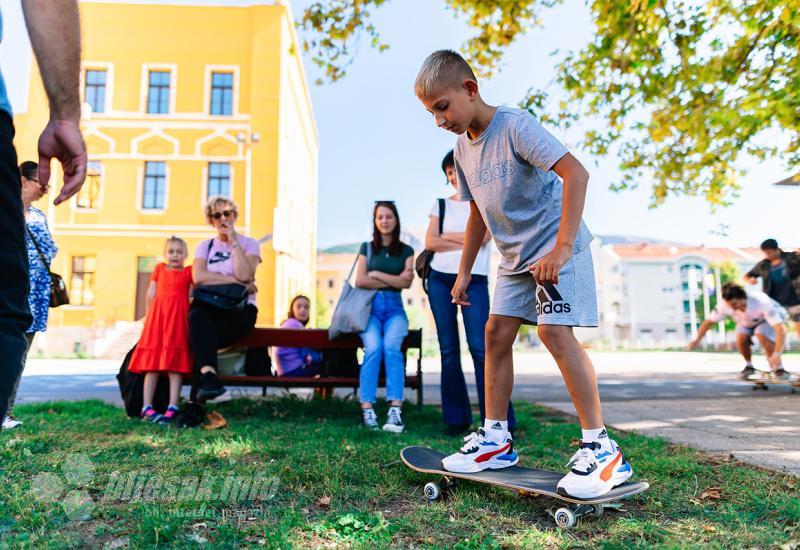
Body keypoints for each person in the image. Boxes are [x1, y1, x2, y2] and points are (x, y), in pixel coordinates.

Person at [414, 50, 633, 499]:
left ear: (470, 89)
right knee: (495, 333)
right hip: (514, 260)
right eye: (430, 112)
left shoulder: (515, 125)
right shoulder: (461, 148)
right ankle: (495, 439)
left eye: (442, 106)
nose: (439, 120)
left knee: (555, 335)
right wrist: (463, 271)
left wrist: (563, 248)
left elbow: (576, 173)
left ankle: (603, 449)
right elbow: (477, 212)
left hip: (556, 246)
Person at [0, 1, 87, 424]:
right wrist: (65, 113)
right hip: (22, 289)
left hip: (33, 290)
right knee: (6, 315)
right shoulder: (24, 215)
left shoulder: (37, 217)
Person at [425, 150, 515, 436]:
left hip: (474, 280)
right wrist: (467, 239)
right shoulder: (440, 205)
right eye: (449, 173)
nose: (453, 176)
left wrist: (447, 238)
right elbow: (430, 242)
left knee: (481, 347)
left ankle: (498, 419)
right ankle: (455, 419)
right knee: (448, 349)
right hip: (440, 280)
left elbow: (486, 237)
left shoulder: (484, 201)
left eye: (457, 171)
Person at [190, 196, 261, 401]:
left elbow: (245, 274)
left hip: (241, 310)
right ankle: (209, 380)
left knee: (200, 336)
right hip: (211, 309)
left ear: (234, 216)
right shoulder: (205, 246)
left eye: (227, 213)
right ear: (211, 220)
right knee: (197, 317)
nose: (223, 219)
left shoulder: (250, 244)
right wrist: (235, 284)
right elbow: (199, 277)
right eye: (217, 215)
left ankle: (196, 400)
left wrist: (233, 241)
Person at [3, 162, 57, 430]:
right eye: (40, 181)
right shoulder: (6, 212)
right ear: (23, 181)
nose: (45, 187)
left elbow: (50, 251)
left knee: (18, 355)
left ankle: (6, 412)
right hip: (8, 292)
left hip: (34, 296)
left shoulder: (38, 216)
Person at [355, 201, 414, 433]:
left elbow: (406, 282)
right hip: (369, 309)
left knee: (391, 347)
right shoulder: (366, 248)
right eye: (380, 217)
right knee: (373, 348)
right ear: (375, 221)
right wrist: (394, 278)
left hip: (395, 309)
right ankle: (367, 409)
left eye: (388, 216)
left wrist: (377, 273)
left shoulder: (407, 251)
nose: (384, 221)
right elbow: (360, 280)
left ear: (396, 219)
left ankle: (395, 411)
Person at [128, 237, 194, 424]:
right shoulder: (159, 269)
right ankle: (146, 407)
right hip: (158, 320)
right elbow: (151, 292)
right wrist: (149, 317)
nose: (175, 255)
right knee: (152, 364)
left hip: (178, 322)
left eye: (179, 252)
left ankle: (172, 406)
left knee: (175, 365)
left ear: (186, 255)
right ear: (165, 253)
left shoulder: (189, 272)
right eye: (171, 251)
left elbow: (191, 295)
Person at [688, 283, 791, 380]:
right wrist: (697, 340)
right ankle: (749, 366)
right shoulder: (724, 305)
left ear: (743, 298)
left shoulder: (761, 302)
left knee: (760, 332)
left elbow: (780, 329)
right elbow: (708, 322)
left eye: (735, 304)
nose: (733, 308)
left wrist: (776, 354)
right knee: (741, 337)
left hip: (768, 320)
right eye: (730, 305)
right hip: (746, 322)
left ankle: (778, 368)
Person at [745, 239, 800, 337]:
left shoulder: (791, 257)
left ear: (777, 249)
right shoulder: (763, 264)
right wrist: (750, 280)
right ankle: (776, 349)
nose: (768, 255)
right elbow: (747, 276)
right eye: (765, 253)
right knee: (775, 325)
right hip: (773, 302)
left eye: (769, 252)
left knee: (798, 323)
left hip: (794, 299)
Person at [275, 295, 324, 377]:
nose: (303, 310)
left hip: (284, 372)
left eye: (306, 307)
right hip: (293, 371)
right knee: (326, 365)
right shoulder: (294, 324)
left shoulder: (287, 323)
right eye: (299, 306)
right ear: (292, 309)